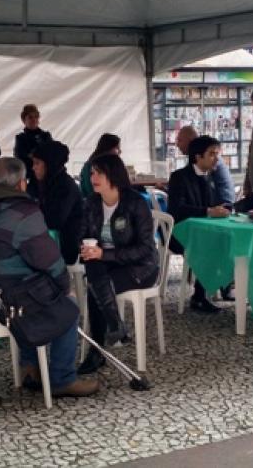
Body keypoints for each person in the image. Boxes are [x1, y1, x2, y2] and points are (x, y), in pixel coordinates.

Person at [0, 157, 99, 397]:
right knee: (68, 307)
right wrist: (65, 287)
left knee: (27, 289)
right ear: (21, 184)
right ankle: (62, 378)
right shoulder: (23, 213)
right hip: (6, 305)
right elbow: (50, 261)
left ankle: (29, 367)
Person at [78, 154, 159, 374]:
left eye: (99, 173)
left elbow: (145, 249)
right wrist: (85, 248)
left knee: (95, 283)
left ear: (113, 175)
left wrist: (104, 254)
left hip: (140, 267)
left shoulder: (135, 203)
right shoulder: (91, 203)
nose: (93, 177)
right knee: (95, 271)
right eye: (92, 173)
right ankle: (115, 328)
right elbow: (81, 235)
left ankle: (98, 349)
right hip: (106, 264)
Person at [167, 135, 231, 313]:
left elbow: (212, 203)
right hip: (179, 233)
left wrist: (221, 208)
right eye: (212, 154)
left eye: (217, 154)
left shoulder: (209, 176)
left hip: (202, 231)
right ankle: (199, 296)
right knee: (210, 245)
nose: (216, 158)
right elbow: (177, 209)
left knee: (228, 241)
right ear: (198, 156)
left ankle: (225, 285)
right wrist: (208, 211)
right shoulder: (179, 177)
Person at [33, 140, 83, 265]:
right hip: (52, 247)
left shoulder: (65, 186)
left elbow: (54, 220)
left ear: (49, 164)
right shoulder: (46, 183)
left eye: (37, 163)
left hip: (66, 250)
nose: (33, 168)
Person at [175, 125, 235, 204]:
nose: (177, 144)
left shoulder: (209, 162)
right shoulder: (198, 160)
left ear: (190, 141)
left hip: (221, 205)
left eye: (180, 140)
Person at [14, 104, 52, 197]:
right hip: (29, 176)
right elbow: (19, 156)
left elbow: (52, 153)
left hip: (46, 176)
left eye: (36, 117)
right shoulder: (21, 138)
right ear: (24, 120)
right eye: (30, 117)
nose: (34, 119)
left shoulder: (45, 136)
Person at [80, 133, 121, 198]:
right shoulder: (92, 165)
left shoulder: (94, 163)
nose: (120, 151)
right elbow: (91, 192)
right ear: (108, 148)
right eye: (117, 148)